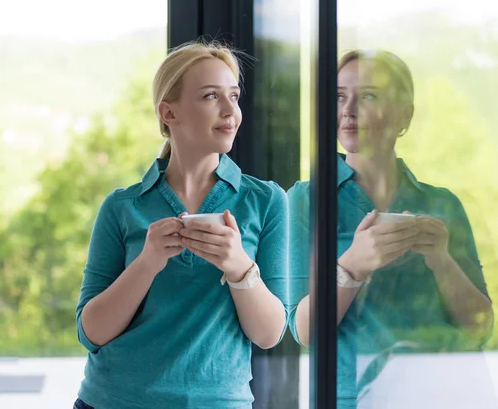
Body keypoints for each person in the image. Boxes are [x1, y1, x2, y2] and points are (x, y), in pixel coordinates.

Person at [73, 41, 289, 409]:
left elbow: (269, 334)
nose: (230, 111)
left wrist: (239, 266)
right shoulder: (122, 207)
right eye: (210, 96)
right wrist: (147, 263)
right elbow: (90, 331)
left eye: (234, 96)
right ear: (168, 112)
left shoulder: (266, 202)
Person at [288, 49, 494, 408]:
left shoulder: (443, 205)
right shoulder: (305, 201)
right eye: (338, 96)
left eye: (368, 95)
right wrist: (351, 266)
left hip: (445, 395)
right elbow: (304, 332)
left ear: (405, 114)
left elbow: (480, 327)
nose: (348, 109)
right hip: (351, 397)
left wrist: (441, 260)